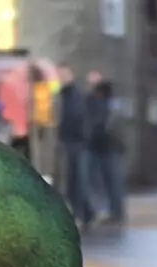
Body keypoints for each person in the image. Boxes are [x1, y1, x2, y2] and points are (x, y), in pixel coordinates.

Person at [56, 68, 94, 227]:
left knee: (78, 180)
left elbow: (79, 117)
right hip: (69, 142)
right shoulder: (63, 95)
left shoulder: (75, 95)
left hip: (78, 143)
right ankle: (85, 214)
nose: (61, 78)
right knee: (72, 180)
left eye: (64, 75)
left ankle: (83, 213)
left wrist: (81, 137)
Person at [86, 78, 126, 226]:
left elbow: (104, 128)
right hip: (111, 149)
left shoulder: (107, 108)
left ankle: (116, 213)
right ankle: (116, 212)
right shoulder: (115, 106)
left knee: (111, 182)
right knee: (112, 182)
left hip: (108, 149)